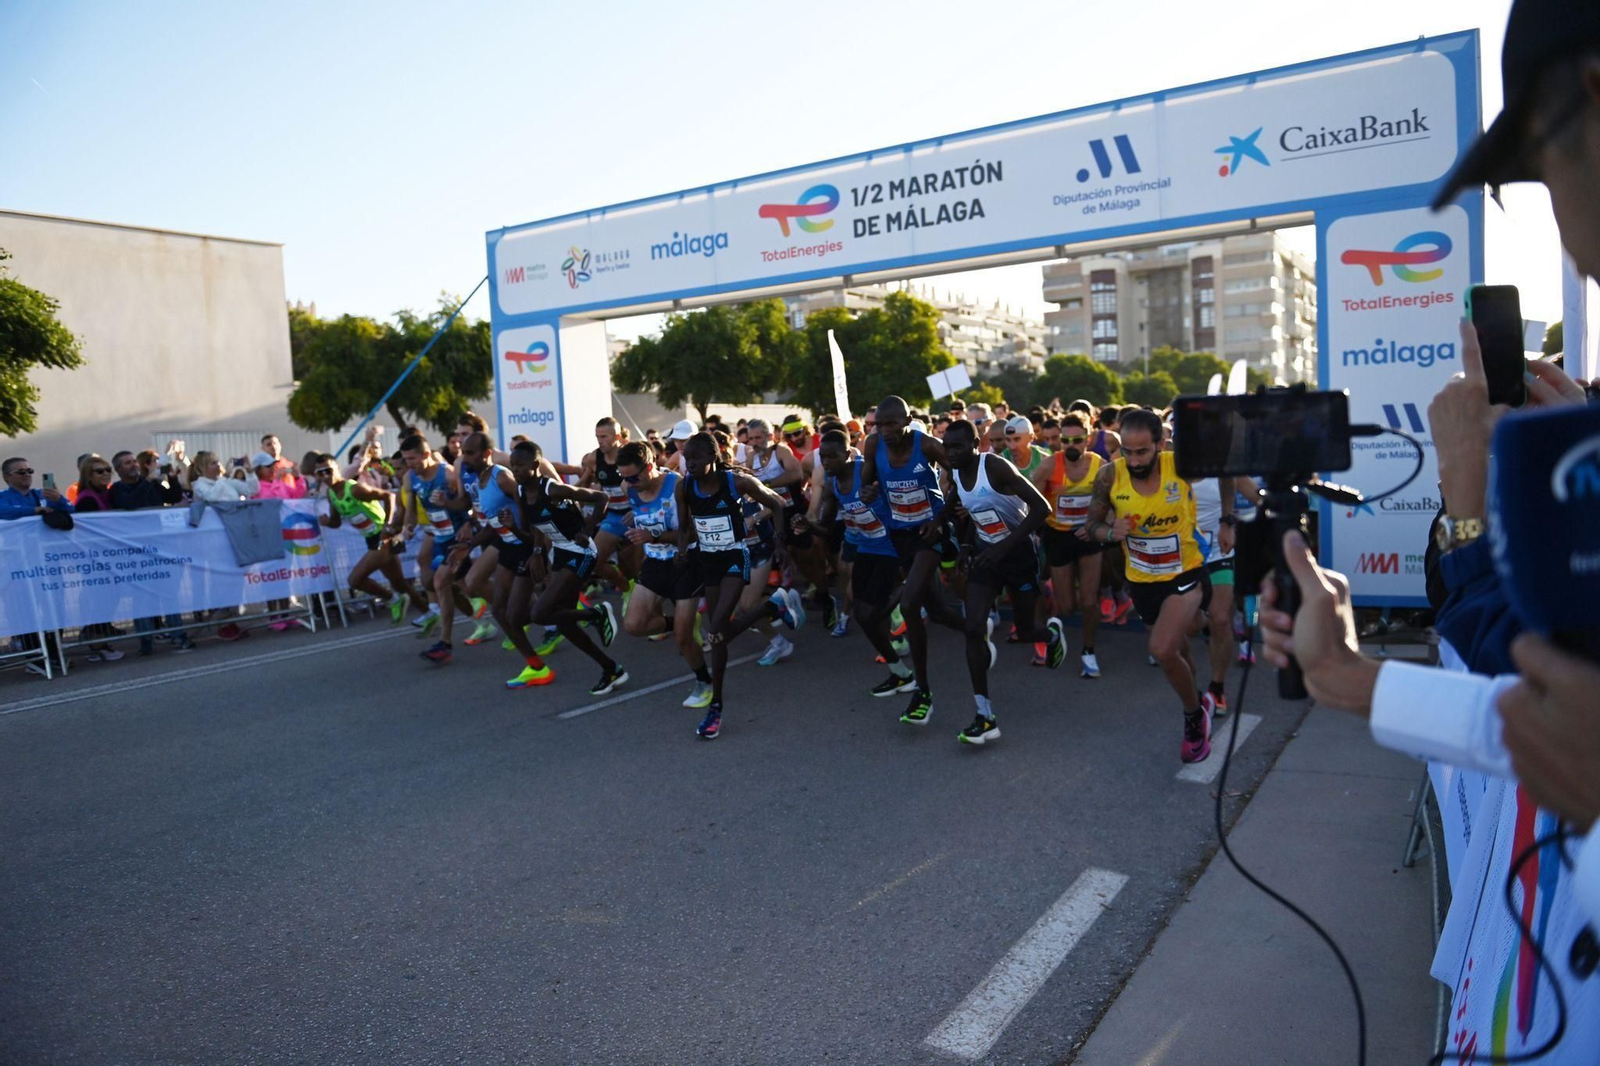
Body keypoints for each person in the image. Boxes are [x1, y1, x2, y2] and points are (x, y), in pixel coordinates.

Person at [1083, 409, 1217, 763]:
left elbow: (1227, 474)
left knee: (1161, 649)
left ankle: (1193, 719)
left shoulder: (1180, 465)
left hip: (1185, 571)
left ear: (1160, 444)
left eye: (1142, 451)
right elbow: (1091, 524)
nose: (1135, 459)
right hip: (1143, 579)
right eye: (1127, 450)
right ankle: (1199, 698)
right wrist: (1111, 533)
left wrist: (1230, 516)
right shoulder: (1110, 475)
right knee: (1177, 649)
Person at [942, 419, 1062, 745]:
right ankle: (984, 715)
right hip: (986, 557)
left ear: (975, 444)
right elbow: (973, 511)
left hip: (1019, 555)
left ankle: (1049, 635)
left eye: (957, 447)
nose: (950, 453)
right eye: (946, 446)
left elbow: (1042, 508)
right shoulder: (955, 474)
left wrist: (1004, 546)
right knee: (973, 626)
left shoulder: (994, 466)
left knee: (1026, 632)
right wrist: (967, 546)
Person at [675, 431, 793, 740]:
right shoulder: (684, 486)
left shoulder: (736, 483)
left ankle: (716, 706)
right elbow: (684, 528)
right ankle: (772, 606)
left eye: (697, 459)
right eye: (688, 459)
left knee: (715, 632)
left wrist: (780, 544)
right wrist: (683, 551)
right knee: (719, 636)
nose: (691, 465)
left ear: (713, 458)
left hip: (735, 558)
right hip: (708, 562)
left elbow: (778, 504)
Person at [859, 395, 967, 726]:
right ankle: (976, 629)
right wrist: (868, 493)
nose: (885, 430)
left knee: (908, 605)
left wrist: (942, 517)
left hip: (931, 532)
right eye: (880, 424)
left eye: (892, 423)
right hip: (899, 533)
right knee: (936, 610)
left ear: (907, 421)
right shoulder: (873, 445)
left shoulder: (929, 445)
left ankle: (922, 691)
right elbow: (867, 483)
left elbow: (963, 477)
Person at [508, 440, 627, 695]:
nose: (514, 470)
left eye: (519, 465)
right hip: (561, 553)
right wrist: (537, 551)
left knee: (540, 614)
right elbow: (538, 526)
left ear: (536, 465)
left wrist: (587, 529)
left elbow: (601, 497)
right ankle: (611, 669)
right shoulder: (520, 492)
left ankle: (596, 614)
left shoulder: (553, 489)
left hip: (582, 552)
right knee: (564, 622)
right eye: (511, 465)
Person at [809, 430, 915, 695]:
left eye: (833, 456)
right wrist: (805, 526)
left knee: (869, 614)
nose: (827, 462)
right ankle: (900, 672)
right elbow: (827, 529)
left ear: (848, 454)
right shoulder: (833, 485)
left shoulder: (867, 472)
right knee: (862, 612)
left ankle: (911, 590)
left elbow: (902, 492)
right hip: (866, 548)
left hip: (890, 548)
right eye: (822, 457)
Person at [447, 439, 555, 689]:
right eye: (464, 453)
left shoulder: (502, 476)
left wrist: (536, 548)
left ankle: (572, 618)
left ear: (486, 453)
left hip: (523, 546)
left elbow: (528, 510)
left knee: (515, 615)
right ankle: (537, 666)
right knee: (499, 611)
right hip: (507, 545)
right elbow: (493, 523)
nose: (466, 457)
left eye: (471, 452)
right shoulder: (480, 482)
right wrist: (470, 544)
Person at [616, 441, 713, 708]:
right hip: (655, 563)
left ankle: (704, 682)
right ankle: (681, 622)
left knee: (683, 640)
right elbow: (645, 512)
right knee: (633, 625)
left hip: (686, 562)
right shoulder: (630, 488)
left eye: (633, 477)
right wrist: (634, 519)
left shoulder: (678, 486)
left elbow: (693, 531)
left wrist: (654, 534)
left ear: (649, 467)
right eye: (623, 477)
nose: (628, 483)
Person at [1032, 412, 1107, 678]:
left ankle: (1088, 652)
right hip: (1059, 537)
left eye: (1078, 440)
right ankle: (1055, 608)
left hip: (1088, 536)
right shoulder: (1051, 465)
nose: (1071, 446)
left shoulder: (1101, 466)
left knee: (1089, 600)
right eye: (1066, 440)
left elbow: (1112, 504)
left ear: (1089, 438)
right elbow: (1030, 498)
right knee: (1067, 607)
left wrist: (1098, 527)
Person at [313, 454, 428, 626]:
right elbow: (336, 522)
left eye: (327, 471)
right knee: (400, 584)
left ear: (337, 468)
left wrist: (387, 526)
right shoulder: (331, 495)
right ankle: (430, 614)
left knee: (354, 580)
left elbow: (389, 497)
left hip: (383, 537)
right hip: (371, 538)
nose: (325, 476)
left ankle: (393, 599)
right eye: (319, 473)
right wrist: (327, 522)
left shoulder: (354, 489)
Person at [578, 417, 637, 595]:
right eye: (597, 436)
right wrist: (566, 498)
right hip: (613, 516)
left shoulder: (631, 455)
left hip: (635, 515)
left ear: (617, 436)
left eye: (604, 436)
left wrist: (639, 511)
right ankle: (626, 588)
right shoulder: (593, 458)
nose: (599, 441)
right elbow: (582, 485)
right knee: (593, 562)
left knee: (634, 567)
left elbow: (648, 485)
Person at [1, 457, 73, 520]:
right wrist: (35, 510)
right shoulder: (3, 496)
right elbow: (2, 511)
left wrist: (59, 500)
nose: (27, 474)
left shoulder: (44, 494)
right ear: (6, 476)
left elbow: (73, 511)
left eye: (29, 471)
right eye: (21, 472)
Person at [187, 452, 259, 502]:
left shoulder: (226, 481)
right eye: (213, 463)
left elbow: (252, 490)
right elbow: (211, 498)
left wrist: (250, 473)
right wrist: (225, 475)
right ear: (202, 467)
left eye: (217, 462)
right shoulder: (198, 485)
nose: (218, 465)